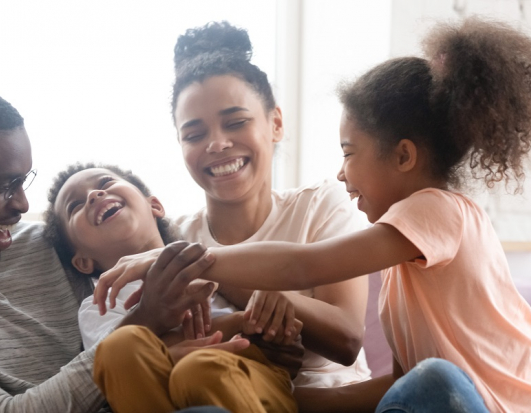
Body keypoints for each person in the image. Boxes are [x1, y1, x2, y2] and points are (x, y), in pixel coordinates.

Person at [104, 17, 531, 412]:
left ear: (403, 156)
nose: (341, 172)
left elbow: (303, 264)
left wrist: (176, 259)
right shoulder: (402, 277)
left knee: (435, 378)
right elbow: (398, 387)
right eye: (194, 132)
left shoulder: (440, 209)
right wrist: (276, 398)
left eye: (349, 152)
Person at [0, 80, 232, 413]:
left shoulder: (48, 242)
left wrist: (267, 314)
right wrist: (146, 319)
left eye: (24, 181)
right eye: (6, 186)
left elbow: (177, 256)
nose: (22, 205)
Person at [95, 21, 372, 390]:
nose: (217, 143)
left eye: (236, 122)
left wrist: (211, 268)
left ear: (275, 123)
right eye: (194, 134)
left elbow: (347, 339)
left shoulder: (320, 203)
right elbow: (146, 353)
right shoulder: (174, 236)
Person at [43, 162, 304, 413]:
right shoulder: (98, 305)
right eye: (75, 205)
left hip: (246, 374)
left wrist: (271, 314)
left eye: (106, 182)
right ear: (83, 262)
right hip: (160, 389)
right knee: (117, 347)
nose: (94, 194)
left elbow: (267, 325)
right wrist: (235, 323)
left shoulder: (211, 262)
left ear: (154, 205)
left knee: (199, 369)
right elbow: (123, 368)